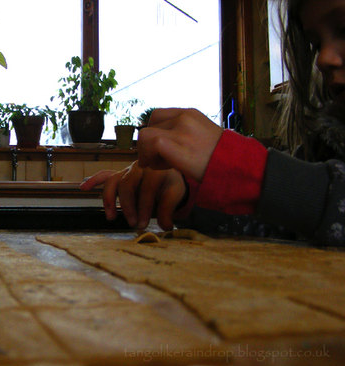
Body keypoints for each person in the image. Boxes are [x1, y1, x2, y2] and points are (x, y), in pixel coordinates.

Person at [81, 0, 345, 246]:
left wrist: (243, 166)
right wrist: (186, 192)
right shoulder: (324, 147)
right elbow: (283, 224)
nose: (322, 58)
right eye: (315, 43)